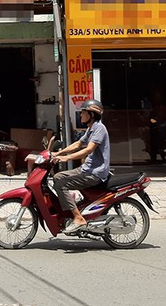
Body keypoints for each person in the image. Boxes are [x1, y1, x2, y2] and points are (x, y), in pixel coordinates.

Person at [50, 99, 110, 235]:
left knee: (61, 185)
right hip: (86, 169)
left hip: (95, 173)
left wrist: (66, 158)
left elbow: (88, 150)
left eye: (83, 112)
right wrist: (58, 153)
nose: (80, 115)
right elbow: (78, 144)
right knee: (58, 177)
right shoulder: (91, 128)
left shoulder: (99, 128)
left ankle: (78, 218)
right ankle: (71, 207)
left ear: (92, 115)